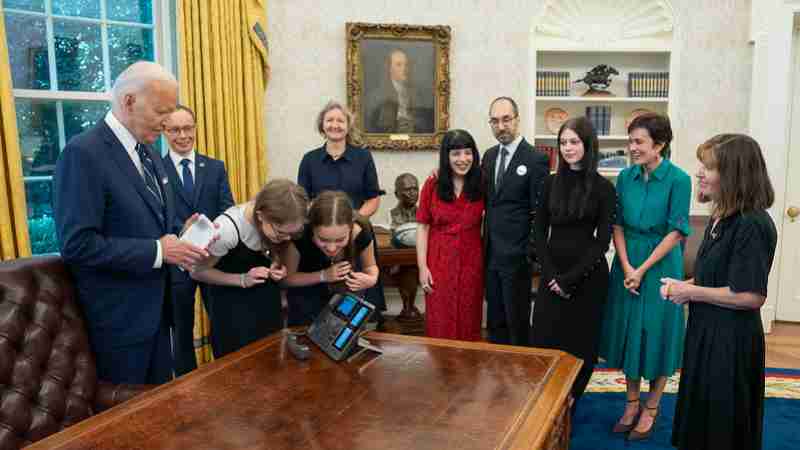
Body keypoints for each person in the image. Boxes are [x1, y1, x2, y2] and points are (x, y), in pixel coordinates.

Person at [53, 61, 209, 385]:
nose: (168, 122)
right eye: (161, 111)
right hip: (118, 323)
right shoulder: (83, 154)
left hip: (158, 315)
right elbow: (77, 245)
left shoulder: (150, 152)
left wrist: (178, 236)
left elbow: (146, 224)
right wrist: (157, 251)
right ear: (128, 101)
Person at [663, 134, 777, 450]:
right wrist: (685, 286)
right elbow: (716, 276)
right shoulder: (722, 218)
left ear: (734, 174)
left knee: (722, 427)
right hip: (707, 331)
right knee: (703, 420)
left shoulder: (751, 224)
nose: (699, 172)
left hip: (731, 341)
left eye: (708, 167)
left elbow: (750, 296)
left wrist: (691, 293)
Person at [597, 113, 691, 440]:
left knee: (657, 333)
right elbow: (617, 224)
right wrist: (625, 266)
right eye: (630, 141)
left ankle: (652, 406)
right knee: (629, 334)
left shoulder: (679, 179)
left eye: (639, 142)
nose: (632, 148)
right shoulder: (624, 177)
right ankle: (631, 402)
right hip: (627, 263)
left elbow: (677, 230)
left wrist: (642, 269)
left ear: (659, 145)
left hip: (661, 265)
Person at [531, 117, 616, 410]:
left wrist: (570, 279)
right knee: (543, 339)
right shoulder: (550, 182)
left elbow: (602, 241)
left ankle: (571, 403)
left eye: (574, 142)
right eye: (563, 142)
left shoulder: (604, 188)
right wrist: (552, 275)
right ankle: (549, 403)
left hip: (587, 277)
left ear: (587, 144)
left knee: (581, 346)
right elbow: (539, 232)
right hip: (552, 274)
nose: (568, 148)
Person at [191, 179, 308, 358]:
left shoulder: (277, 225)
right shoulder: (226, 230)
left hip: (266, 306)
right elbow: (197, 272)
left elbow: (272, 251)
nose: (286, 239)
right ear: (261, 216)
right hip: (233, 312)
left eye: (291, 234)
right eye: (280, 233)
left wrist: (277, 265)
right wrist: (242, 279)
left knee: (270, 361)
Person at [296, 100, 386, 323]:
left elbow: (373, 198)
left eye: (340, 120)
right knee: (319, 309)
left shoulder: (363, 157)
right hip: (321, 240)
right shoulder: (309, 160)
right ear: (322, 125)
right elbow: (303, 202)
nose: (335, 125)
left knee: (357, 305)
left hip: (355, 236)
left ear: (348, 125)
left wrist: (352, 223)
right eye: (330, 120)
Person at [162, 104, 234, 376]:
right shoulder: (156, 169)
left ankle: (225, 373)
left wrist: (213, 233)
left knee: (221, 321)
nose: (182, 135)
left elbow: (228, 208)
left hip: (212, 259)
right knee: (181, 327)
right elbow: (156, 216)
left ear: (195, 128)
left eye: (187, 128)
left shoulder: (215, 167)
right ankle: (187, 382)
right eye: (175, 129)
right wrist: (185, 232)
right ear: (164, 132)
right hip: (177, 261)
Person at [482, 96, 550, 346]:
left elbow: (540, 213)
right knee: (495, 323)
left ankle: (521, 380)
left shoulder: (535, 159)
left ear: (517, 119)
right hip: (491, 256)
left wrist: (530, 254)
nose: (501, 126)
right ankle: (497, 379)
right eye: (495, 121)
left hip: (518, 258)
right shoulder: (488, 157)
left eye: (506, 119)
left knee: (517, 324)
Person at [416, 129, 485, 341]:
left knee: (469, 322)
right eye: (455, 154)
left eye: (467, 152)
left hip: (471, 265)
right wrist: (422, 267)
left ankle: (467, 373)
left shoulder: (483, 181)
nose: (462, 159)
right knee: (439, 324)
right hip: (438, 264)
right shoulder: (432, 184)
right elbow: (422, 227)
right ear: (446, 156)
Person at [282, 190, 380, 323]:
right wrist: (323, 275)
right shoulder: (299, 234)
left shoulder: (362, 231)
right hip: (304, 305)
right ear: (312, 228)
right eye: (323, 239)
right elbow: (286, 279)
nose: (331, 248)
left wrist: (371, 279)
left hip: (345, 304)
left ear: (351, 227)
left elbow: (371, 267)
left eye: (340, 240)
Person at [368, 48, 433, 134]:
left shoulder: (417, 93)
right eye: (399, 65)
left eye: (406, 65)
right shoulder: (377, 95)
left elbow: (425, 120)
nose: (404, 69)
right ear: (389, 68)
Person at [390, 173, 419, 248]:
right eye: (407, 190)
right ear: (396, 194)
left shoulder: (425, 216)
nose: (412, 193)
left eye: (415, 189)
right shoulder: (389, 216)